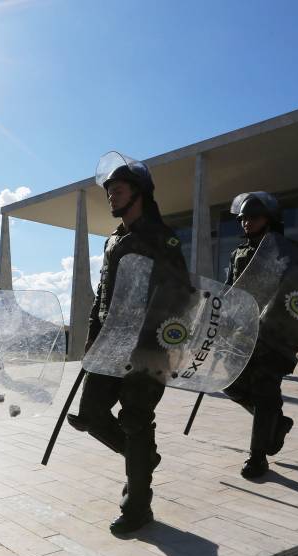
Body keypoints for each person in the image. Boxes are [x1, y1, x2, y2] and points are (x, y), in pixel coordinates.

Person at [66, 152, 188, 533]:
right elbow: (102, 296)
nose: (111, 198)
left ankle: (138, 504)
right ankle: (143, 459)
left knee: (135, 421)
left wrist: (155, 338)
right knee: (90, 415)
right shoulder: (114, 239)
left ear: (139, 193)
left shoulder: (161, 237)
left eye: (117, 190)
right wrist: (90, 342)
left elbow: (180, 296)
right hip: (110, 345)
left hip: (147, 348)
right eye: (108, 192)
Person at [221, 192, 298, 479]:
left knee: (265, 393)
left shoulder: (290, 251)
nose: (246, 223)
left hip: (274, 336)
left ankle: (257, 457)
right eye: (243, 218)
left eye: (252, 217)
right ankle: (276, 423)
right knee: (231, 384)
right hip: (242, 333)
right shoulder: (238, 254)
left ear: (270, 219)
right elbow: (230, 292)